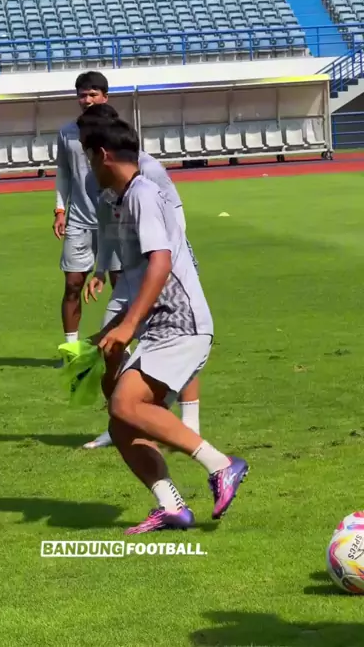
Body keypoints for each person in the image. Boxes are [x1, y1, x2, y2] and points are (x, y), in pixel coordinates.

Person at [79, 118, 248, 533]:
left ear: (103, 155)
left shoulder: (142, 194)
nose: (88, 167)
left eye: (88, 157)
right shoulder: (122, 200)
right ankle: (170, 505)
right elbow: (138, 278)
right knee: (122, 423)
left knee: (124, 405)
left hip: (181, 322)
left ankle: (221, 465)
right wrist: (113, 329)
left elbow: (161, 262)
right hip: (160, 326)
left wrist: (128, 325)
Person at [77, 103, 201, 449]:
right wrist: (102, 268)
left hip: (163, 264)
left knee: (180, 340)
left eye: (88, 142)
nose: (85, 151)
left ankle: (189, 423)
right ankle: (123, 418)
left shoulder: (146, 171)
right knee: (110, 340)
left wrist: (167, 261)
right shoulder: (97, 176)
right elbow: (106, 225)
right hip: (132, 267)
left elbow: (174, 214)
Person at [53, 72, 120, 348]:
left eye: (93, 94)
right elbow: (64, 172)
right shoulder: (67, 132)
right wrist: (60, 210)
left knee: (121, 285)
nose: (87, 99)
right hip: (79, 220)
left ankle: (121, 345)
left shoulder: (119, 130)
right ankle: (71, 349)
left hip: (115, 220)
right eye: (82, 95)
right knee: (72, 285)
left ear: (105, 97)